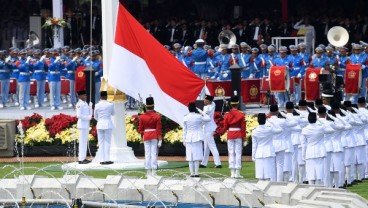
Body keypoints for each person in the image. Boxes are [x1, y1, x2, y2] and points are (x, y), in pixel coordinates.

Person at [301, 112, 333, 185]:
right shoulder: (321, 128)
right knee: (319, 173)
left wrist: (303, 155)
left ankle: (311, 189)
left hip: (309, 152)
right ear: (316, 119)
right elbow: (331, 130)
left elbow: (303, 144)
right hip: (320, 152)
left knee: (310, 173)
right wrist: (321, 120)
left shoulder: (304, 129)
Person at [220, 94, 246, 178]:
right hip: (238, 134)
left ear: (231, 104)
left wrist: (221, 132)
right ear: (238, 104)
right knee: (238, 153)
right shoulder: (241, 114)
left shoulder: (227, 114)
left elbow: (225, 126)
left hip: (230, 134)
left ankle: (232, 173)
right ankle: (237, 173)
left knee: (231, 153)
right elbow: (243, 127)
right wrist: (244, 138)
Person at [252, 113, 282, 181]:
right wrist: (272, 123)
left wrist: (253, 156)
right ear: (265, 120)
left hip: (259, 154)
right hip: (269, 153)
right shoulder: (269, 129)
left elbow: (254, 145)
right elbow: (280, 130)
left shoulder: (254, 131)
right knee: (269, 175)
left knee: (260, 176)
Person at [183, 102, 210, 177]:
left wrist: (184, 139)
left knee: (190, 157)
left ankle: (192, 173)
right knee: (196, 156)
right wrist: (201, 111)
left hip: (188, 137)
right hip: (197, 137)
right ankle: (196, 173)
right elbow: (208, 118)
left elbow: (184, 130)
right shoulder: (198, 116)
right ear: (195, 108)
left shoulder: (186, 117)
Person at [138, 97, 162, 176]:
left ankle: (148, 171)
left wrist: (142, 135)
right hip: (154, 135)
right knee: (153, 153)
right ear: (153, 106)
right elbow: (158, 129)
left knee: (147, 153)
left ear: (146, 106)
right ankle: (154, 171)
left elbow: (140, 129)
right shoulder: (157, 116)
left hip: (146, 135)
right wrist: (160, 139)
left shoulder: (142, 117)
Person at [200, 95, 222, 168]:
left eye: (205, 99)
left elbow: (203, 115)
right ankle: (204, 163)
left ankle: (218, 163)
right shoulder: (213, 104)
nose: (204, 101)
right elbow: (212, 102)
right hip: (209, 128)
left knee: (212, 146)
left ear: (208, 101)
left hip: (208, 129)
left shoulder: (207, 108)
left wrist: (198, 112)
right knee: (206, 147)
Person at [94, 91, 114, 165]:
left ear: (100, 96)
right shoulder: (110, 105)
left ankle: (102, 160)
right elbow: (113, 113)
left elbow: (95, 116)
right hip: (107, 124)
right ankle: (107, 159)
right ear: (106, 96)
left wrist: (100, 120)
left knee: (101, 143)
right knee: (107, 143)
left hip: (100, 124)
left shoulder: (97, 105)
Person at [76, 90, 93, 164]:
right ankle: (81, 159)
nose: (85, 96)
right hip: (82, 125)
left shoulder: (85, 103)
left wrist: (90, 108)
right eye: (84, 95)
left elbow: (88, 113)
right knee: (82, 142)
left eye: (85, 95)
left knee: (84, 142)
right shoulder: (79, 104)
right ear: (80, 96)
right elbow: (79, 115)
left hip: (85, 125)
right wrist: (88, 117)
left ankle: (83, 157)